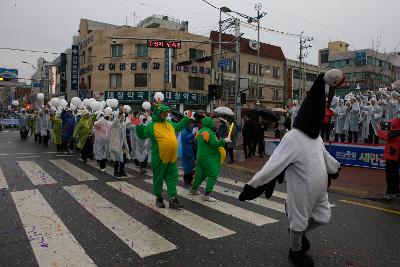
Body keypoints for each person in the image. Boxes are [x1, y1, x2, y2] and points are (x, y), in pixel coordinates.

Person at [239, 69, 343, 267]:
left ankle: (298, 232)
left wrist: (334, 168)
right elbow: (274, 164)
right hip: (301, 190)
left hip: (320, 191)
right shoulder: (293, 137)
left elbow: (325, 156)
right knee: (298, 222)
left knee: (323, 217)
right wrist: (254, 185)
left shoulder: (316, 137)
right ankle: (295, 251)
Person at [136, 93, 192, 209]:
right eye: (163, 112)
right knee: (158, 178)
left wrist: (187, 118)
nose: (165, 114)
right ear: (157, 112)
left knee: (172, 177)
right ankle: (159, 197)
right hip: (160, 158)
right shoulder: (152, 126)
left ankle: (173, 199)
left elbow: (179, 126)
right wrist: (139, 126)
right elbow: (142, 135)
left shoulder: (169, 123)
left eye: (166, 112)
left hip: (172, 158)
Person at [190, 116, 229, 201]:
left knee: (199, 174)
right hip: (209, 158)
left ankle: (193, 189)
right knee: (213, 175)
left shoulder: (199, 131)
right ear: (210, 123)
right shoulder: (209, 132)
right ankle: (206, 195)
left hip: (200, 157)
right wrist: (224, 141)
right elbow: (214, 144)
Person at [378, 118, 400, 200]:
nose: (389, 125)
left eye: (391, 123)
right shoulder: (396, 131)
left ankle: (390, 193)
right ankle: (396, 191)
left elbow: (385, 137)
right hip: (395, 155)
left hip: (392, 155)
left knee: (390, 175)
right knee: (395, 174)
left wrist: (380, 130)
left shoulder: (396, 132)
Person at [109, 111, 130, 177]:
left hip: (123, 144)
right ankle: (116, 172)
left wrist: (135, 118)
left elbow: (130, 123)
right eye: (121, 116)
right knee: (117, 158)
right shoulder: (114, 124)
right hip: (116, 144)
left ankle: (121, 170)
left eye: (123, 116)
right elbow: (115, 122)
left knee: (123, 158)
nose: (122, 118)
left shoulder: (123, 124)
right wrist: (118, 116)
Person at [181, 119, 196, 185]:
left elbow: (193, 140)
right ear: (188, 124)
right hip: (186, 150)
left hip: (191, 150)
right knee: (186, 165)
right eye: (191, 123)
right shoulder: (184, 131)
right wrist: (193, 134)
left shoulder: (190, 130)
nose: (192, 125)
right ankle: (186, 179)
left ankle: (189, 179)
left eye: (193, 123)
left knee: (191, 165)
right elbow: (185, 139)